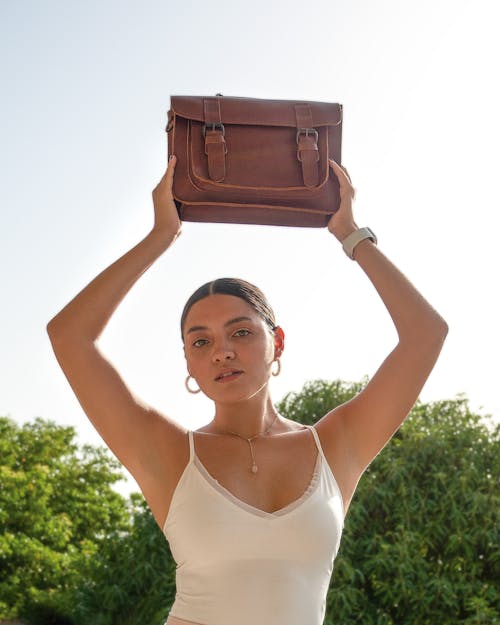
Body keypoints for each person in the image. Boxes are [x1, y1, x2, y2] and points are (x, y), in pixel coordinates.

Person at [47, 154, 448, 625]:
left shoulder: (337, 443)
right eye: (201, 341)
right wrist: (161, 236)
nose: (222, 352)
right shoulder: (169, 453)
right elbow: (69, 335)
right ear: (189, 362)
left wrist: (350, 233)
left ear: (276, 342)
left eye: (240, 332)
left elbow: (426, 333)